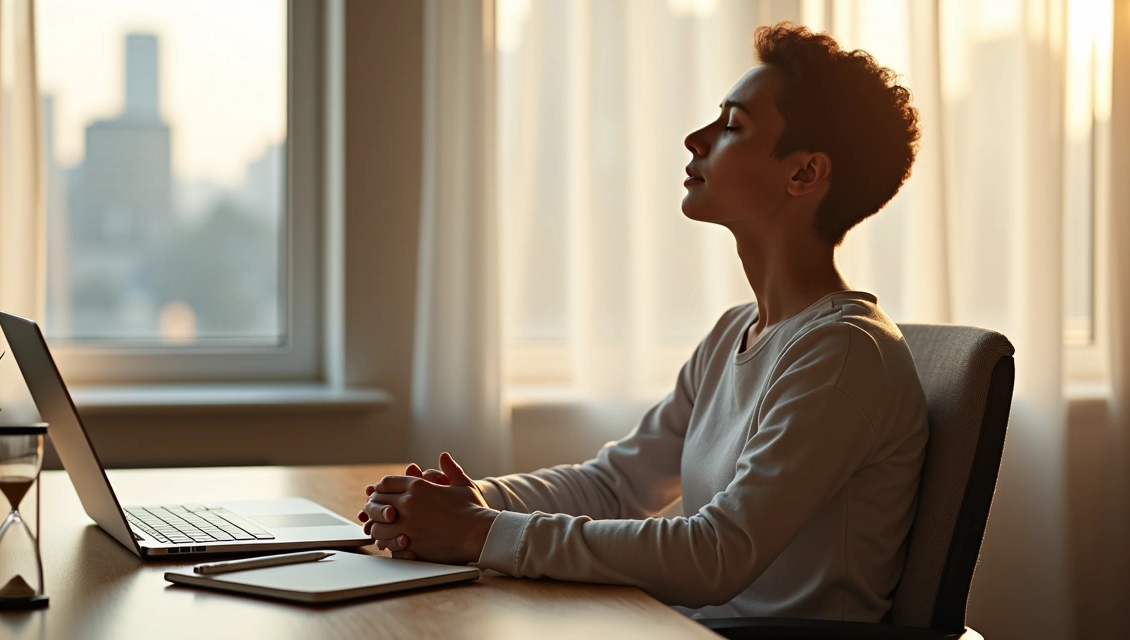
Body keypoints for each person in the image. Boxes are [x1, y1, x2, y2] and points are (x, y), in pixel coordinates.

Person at [359, 21, 927, 622]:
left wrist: (482, 532)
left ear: (804, 174)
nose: (695, 139)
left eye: (733, 126)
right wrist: (467, 503)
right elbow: (615, 486)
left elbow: (716, 553)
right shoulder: (734, 335)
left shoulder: (840, 354)